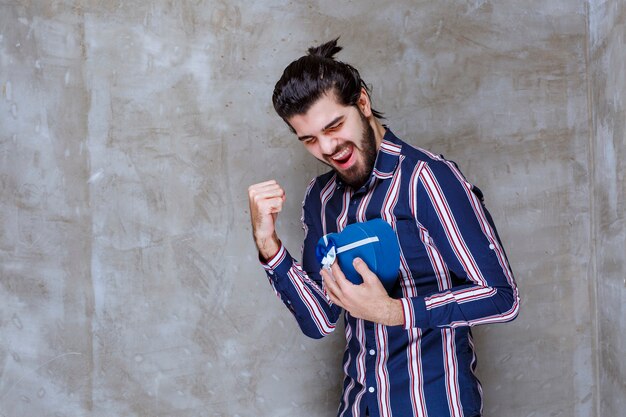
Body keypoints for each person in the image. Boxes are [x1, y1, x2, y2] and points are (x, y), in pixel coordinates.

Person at [248, 38, 520, 417]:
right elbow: (320, 320)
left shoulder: (428, 179)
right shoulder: (320, 199)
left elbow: (502, 298)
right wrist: (268, 244)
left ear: (362, 103)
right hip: (359, 406)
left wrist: (396, 311)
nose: (327, 147)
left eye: (335, 125)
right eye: (309, 139)